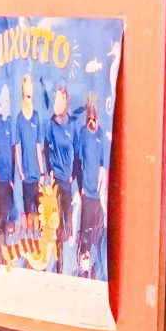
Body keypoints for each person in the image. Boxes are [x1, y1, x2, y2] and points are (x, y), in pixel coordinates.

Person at [46, 84, 81, 274]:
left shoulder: (72, 126)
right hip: (56, 179)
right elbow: (45, 147)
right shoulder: (51, 125)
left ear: (66, 101)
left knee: (67, 222)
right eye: (55, 98)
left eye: (59, 98)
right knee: (56, 220)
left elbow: (77, 153)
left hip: (67, 179)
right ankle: (56, 264)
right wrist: (49, 170)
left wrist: (73, 175)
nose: (56, 102)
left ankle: (64, 263)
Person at [12, 73, 45, 267]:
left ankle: (40, 253)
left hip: (36, 174)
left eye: (30, 95)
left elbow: (38, 146)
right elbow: (17, 146)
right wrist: (21, 171)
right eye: (26, 95)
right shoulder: (19, 119)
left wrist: (42, 171)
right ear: (22, 95)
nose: (28, 98)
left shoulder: (37, 117)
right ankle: (28, 254)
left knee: (40, 215)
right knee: (28, 215)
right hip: (26, 177)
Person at [78, 95, 110, 278]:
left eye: (94, 118)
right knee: (85, 226)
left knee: (96, 229)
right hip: (86, 189)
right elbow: (80, 160)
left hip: (97, 192)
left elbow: (101, 163)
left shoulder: (100, 134)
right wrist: (81, 187)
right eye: (89, 118)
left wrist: (101, 183)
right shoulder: (83, 133)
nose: (92, 122)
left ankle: (96, 267)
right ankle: (84, 260)